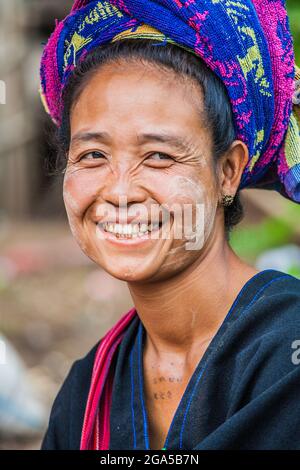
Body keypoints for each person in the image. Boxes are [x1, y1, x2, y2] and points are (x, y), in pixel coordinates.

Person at [39, 0, 300, 450]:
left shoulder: (287, 355)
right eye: (93, 155)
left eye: (158, 156)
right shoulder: (87, 392)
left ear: (228, 172)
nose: (120, 193)